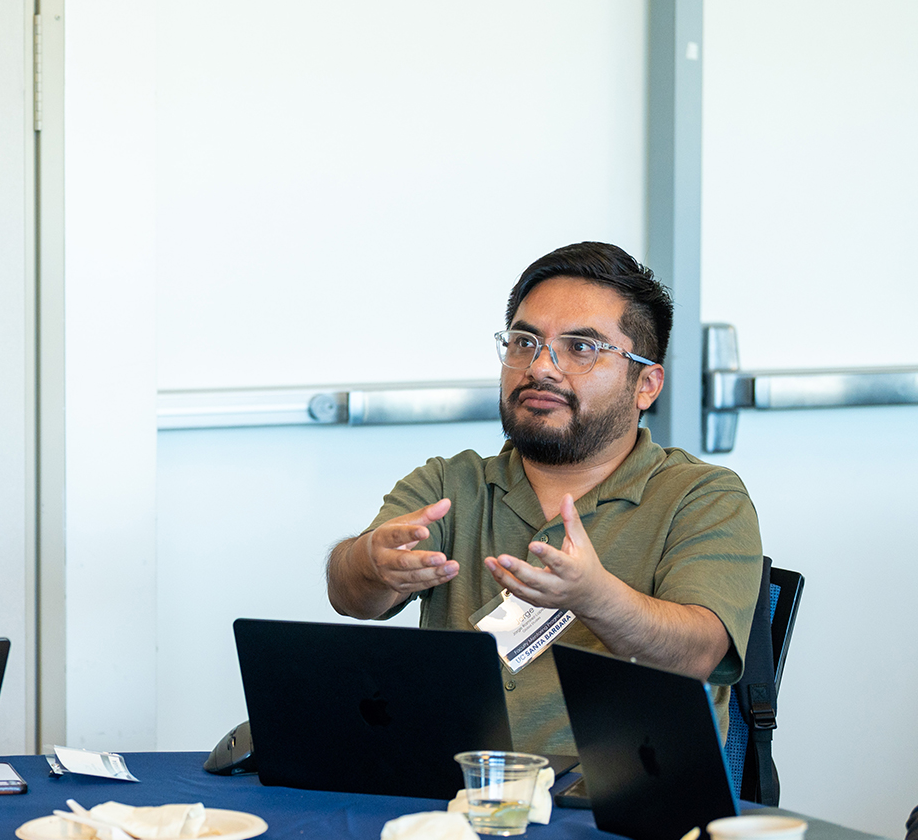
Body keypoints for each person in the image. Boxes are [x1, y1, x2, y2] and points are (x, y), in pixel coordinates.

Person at [325, 242, 762, 756]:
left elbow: (698, 655)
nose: (540, 368)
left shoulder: (702, 497)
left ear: (645, 384)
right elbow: (349, 597)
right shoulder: (450, 484)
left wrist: (594, 597)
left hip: (615, 797)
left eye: (581, 348)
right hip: (462, 788)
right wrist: (371, 564)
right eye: (524, 342)